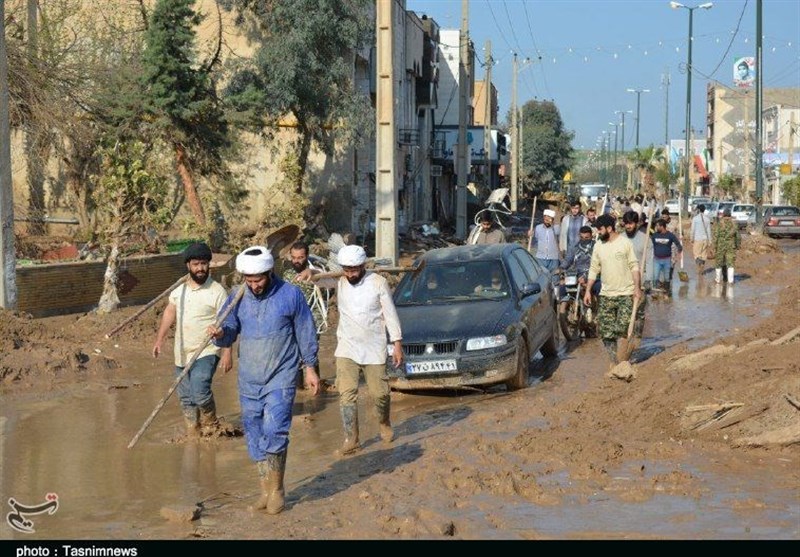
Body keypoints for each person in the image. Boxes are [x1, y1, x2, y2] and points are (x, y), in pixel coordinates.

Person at [209, 246, 320, 515]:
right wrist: (220, 332)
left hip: (281, 374)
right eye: (249, 280)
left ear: (270, 273)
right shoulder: (237, 296)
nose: (254, 285)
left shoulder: (290, 294)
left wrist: (310, 368)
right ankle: (264, 489)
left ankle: (278, 489)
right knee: (255, 432)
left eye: (258, 279)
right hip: (249, 377)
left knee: (275, 430)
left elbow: (305, 331)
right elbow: (229, 331)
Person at [315, 245, 404, 457]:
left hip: (374, 346)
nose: (350, 274)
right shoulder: (338, 280)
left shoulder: (378, 283)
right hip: (347, 346)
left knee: (380, 394)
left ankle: (384, 422)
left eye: (354, 270)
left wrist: (397, 343)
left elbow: (390, 314)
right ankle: (351, 439)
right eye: (347, 269)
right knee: (346, 394)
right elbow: (319, 280)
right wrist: (312, 275)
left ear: (363, 266)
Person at [152, 242, 232, 438]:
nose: (200, 269)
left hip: (207, 349)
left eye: (204, 264)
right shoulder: (179, 290)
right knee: (186, 397)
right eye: (196, 264)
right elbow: (170, 312)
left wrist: (227, 352)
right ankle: (193, 431)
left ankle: (210, 424)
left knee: (200, 388)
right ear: (188, 265)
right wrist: (159, 339)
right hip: (182, 350)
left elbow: (229, 322)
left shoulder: (217, 291)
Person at [585, 214, 641, 367]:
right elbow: (593, 269)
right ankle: (614, 362)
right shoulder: (598, 246)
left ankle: (624, 359)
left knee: (622, 329)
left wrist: (637, 287)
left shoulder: (625, 244)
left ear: (609, 228)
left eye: (600, 229)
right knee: (606, 332)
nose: (597, 233)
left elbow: (634, 266)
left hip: (626, 293)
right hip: (606, 294)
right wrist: (588, 290)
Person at [282, 241, 327, 389]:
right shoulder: (287, 274)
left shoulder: (315, 271)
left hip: (312, 320)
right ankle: (299, 389)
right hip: (292, 320)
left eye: (300, 257)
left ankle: (315, 387)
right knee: (293, 353)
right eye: (294, 257)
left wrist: (312, 272)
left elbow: (324, 276)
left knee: (310, 350)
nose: (296, 261)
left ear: (306, 256)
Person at [559, 226, 600, 300]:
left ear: (591, 236)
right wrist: (561, 268)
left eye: (586, 238)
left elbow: (599, 265)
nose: (584, 239)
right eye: (582, 237)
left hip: (592, 275)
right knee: (562, 286)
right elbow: (568, 259)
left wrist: (586, 277)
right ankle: (563, 309)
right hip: (576, 275)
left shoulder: (597, 247)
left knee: (599, 288)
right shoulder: (575, 246)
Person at [650, 219, 683, 291]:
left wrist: (679, 254)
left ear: (662, 226)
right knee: (655, 277)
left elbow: (678, 245)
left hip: (667, 260)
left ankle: (667, 293)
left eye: (657, 226)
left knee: (667, 278)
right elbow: (649, 245)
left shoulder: (670, 235)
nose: (656, 227)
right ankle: (655, 293)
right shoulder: (654, 235)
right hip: (656, 260)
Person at [713, 207, 740, 285]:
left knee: (718, 263)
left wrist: (714, 246)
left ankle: (717, 280)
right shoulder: (734, 224)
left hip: (720, 246)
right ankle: (730, 281)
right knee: (730, 263)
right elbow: (738, 236)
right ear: (730, 215)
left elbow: (715, 236)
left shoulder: (719, 224)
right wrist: (737, 245)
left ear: (723, 215)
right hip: (731, 246)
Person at [690, 204, 712, 274]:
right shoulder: (707, 219)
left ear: (698, 210)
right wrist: (710, 241)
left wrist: (691, 238)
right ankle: (702, 265)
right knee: (703, 254)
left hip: (697, 239)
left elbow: (692, 230)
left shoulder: (695, 219)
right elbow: (709, 231)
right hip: (705, 239)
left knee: (696, 254)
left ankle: (699, 267)